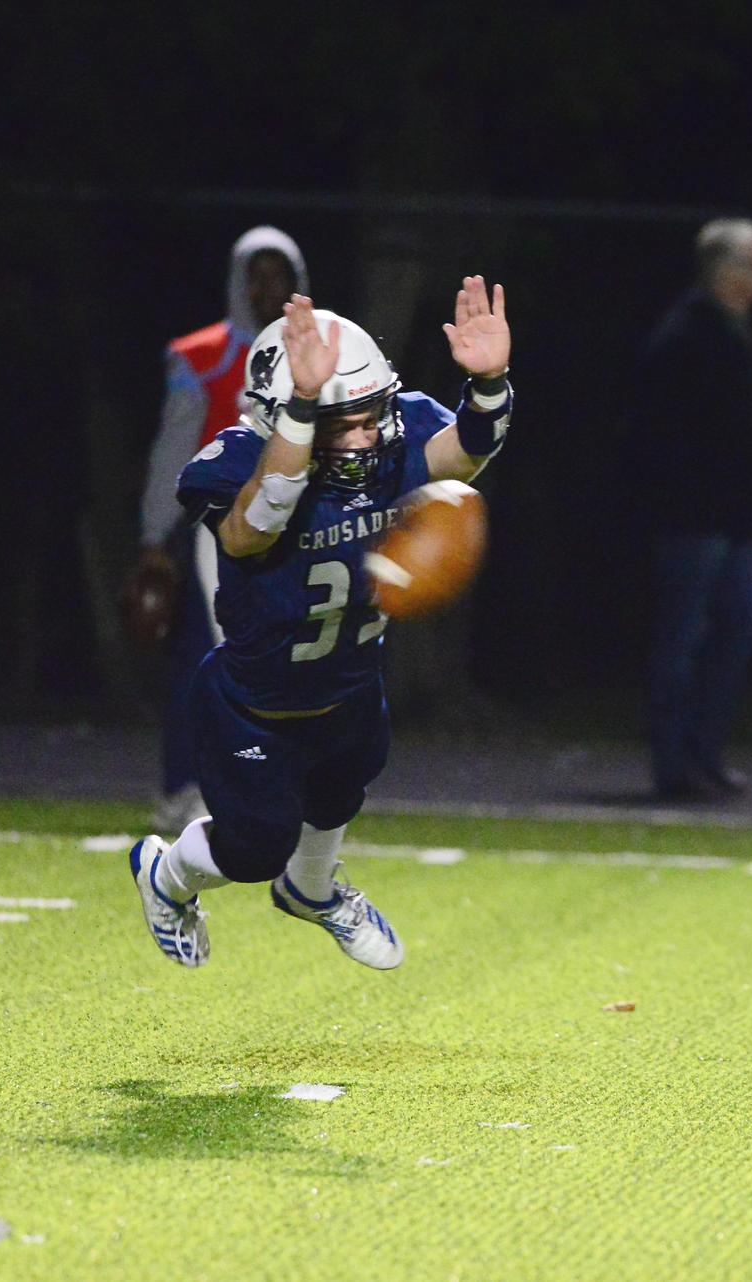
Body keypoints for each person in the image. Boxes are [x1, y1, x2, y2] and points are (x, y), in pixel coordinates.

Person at [126, 277, 513, 970]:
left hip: (350, 682)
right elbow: (252, 529)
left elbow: (463, 457)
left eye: (372, 415)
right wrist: (304, 413)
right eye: (343, 423)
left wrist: (487, 385)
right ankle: (167, 874)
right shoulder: (235, 462)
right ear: (281, 416)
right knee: (255, 849)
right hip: (254, 705)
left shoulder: (390, 444)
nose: (366, 436)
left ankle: (311, 890)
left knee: (342, 788)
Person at [132, 227, 308, 833]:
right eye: (257, 275)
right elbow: (172, 451)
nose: (267, 289)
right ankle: (185, 786)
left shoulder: (320, 353)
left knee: (291, 665)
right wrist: (156, 536)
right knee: (207, 661)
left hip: (294, 530)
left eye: (278, 275)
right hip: (220, 529)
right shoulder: (203, 356)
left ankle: (271, 786)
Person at [629, 219, 752, 802]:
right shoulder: (686, 336)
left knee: (735, 626)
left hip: (734, 517)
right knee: (682, 638)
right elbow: (664, 436)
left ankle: (703, 753)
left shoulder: (731, 330)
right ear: (726, 270)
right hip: (695, 517)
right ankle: (674, 763)